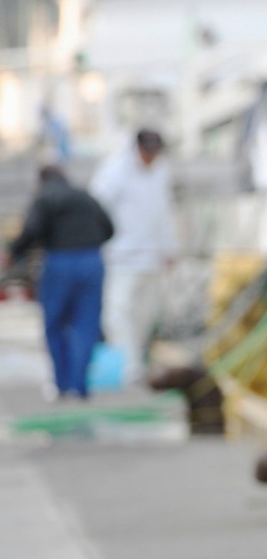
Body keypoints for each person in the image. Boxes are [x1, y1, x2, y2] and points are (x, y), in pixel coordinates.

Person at [3, 165, 113, 398]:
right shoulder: (85, 196)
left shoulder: (44, 198)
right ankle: (80, 385)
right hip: (91, 260)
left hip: (59, 260)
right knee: (86, 323)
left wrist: (13, 252)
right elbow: (110, 228)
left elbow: (31, 230)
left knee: (55, 323)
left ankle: (62, 384)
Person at [90, 129, 178, 383]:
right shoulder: (114, 170)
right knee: (117, 313)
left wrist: (169, 248)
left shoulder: (161, 171)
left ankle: (137, 362)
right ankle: (128, 368)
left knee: (145, 314)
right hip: (121, 256)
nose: (151, 157)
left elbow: (164, 212)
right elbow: (98, 206)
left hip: (152, 256)